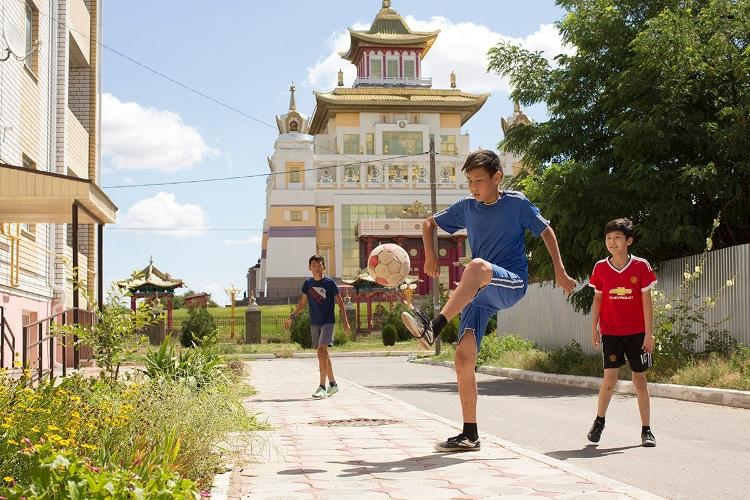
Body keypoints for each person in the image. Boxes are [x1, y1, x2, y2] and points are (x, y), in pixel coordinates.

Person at [401, 149, 576, 452]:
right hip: (480, 294)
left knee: (477, 266)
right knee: (462, 360)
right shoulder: (468, 207)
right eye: (469, 181)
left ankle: (434, 327)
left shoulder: (516, 204)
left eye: (479, 181)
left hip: (511, 282)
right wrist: (430, 256)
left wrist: (560, 272)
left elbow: (547, 231)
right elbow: (429, 223)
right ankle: (470, 434)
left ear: (497, 177)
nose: (473, 187)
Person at [587, 218, 657, 447]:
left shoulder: (640, 266)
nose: (612, 242)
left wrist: (649, 334)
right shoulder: (600, 267)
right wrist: (594, 328)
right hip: (611, 333)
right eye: (608, 238)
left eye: (617, 238)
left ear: (629, 240)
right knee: (609, 380)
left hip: (637, 333)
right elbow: (597, 299)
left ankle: (646, 430)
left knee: (640, 380)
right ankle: (599, 421)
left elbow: (647, 302)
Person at [285, 254, 351, 399]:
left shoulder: (330, 283)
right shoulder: (307, 284)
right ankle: (333, 384)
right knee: (322, 354)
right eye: (314, 264)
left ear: (323, 267)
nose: (317, 267)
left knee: (321, 350)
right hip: (315, 322)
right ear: (310, 267)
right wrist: (292, 317)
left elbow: (340, 302)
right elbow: (302, 303)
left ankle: (322, 386)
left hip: (328, 321)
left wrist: (345, 321)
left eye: (319, 264)